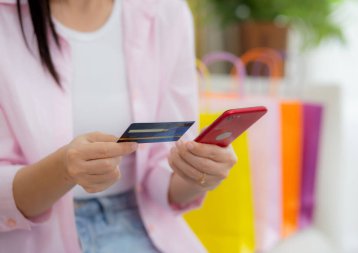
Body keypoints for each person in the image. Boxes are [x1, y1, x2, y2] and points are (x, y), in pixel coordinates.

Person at [0, 0, 238, 252]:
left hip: (137, 223)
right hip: (32, 238)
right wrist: (62, 171)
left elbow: (163, 172)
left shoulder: (166, 11)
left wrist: (199, 176)